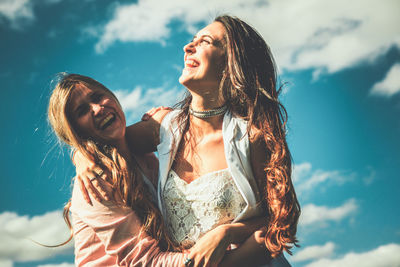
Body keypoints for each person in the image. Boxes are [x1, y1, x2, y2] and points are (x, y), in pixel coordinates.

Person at [77, 15, 300, 266]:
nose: (187, 47)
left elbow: (282, 222)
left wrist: (228, 233)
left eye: (205, 41)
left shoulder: (253, 137)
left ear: (230, 63)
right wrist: (81, 157)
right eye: (191, 40)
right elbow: (107, 141)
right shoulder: (163, 126)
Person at [49, 73, 268, 266]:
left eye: (97, 97)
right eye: (82, 111)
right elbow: (146, 262)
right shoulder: (96, 184)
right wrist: (237, 260)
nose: (97, 109)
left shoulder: (141, 153)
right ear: (74, 130)